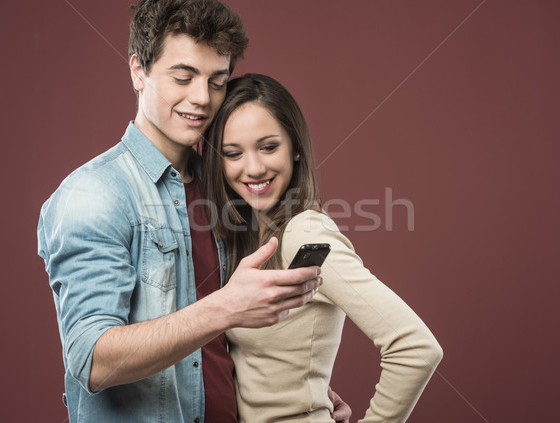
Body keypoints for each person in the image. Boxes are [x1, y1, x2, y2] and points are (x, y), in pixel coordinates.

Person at [37, 1, 351, 422]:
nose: (202, 99)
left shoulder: (225, 184)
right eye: (183, 77)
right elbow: (91, 360)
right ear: (138, 71)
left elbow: (222, 349)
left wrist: (298, 389)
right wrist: (225, 306)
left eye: (216, 81)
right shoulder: (94, 195)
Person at [202, 73, 444, 422]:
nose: (253, 168)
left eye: (269, 146)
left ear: (296, 147)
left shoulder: (305, 233)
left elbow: (416, 348)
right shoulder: (248, 235)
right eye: (233, 153)